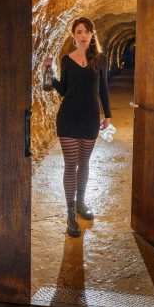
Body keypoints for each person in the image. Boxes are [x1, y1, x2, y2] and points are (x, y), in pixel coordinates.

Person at [43, 17, 112, 237]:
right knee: (70, 164)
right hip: (69, 119)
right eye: (79, 31)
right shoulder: (66, 59)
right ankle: (71, 214)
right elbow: (63, 89)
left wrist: (108, 115)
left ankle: (81, 203)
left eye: (87, 31)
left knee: (84, 163)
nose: (83, 35)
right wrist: (49, 73)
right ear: (73, 35)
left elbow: (103, 89)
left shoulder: (100, 59)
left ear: (92, 34)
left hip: (90, 118)